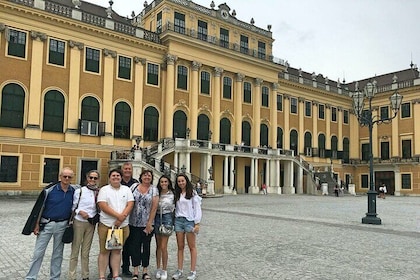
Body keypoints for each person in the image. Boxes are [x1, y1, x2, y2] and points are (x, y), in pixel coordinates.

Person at [22, 167, 77, 280]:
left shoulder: (74, 191)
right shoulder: (50, 190)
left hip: (62, 225)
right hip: (47, 224)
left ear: (72, 178)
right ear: (60, 177)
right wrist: (36, 224)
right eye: (64, 176)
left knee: (58, 254)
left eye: (69, 177)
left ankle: (55, 277)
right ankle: (31, 277)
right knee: (38, 253)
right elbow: (40, 208)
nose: (66, 178)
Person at [97, 169, 134, 280]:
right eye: (113, 175)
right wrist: (119, 217)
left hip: (122, 226)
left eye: (118, 175)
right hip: (107, 224)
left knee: (117, 250)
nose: (116, 177)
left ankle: (115, 275)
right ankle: (102, 276)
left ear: (121, 177)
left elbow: (130, 203)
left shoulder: (126, 189)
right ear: (109, 178)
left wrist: (122, 218)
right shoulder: (104, 189)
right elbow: (103, 205)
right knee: (104, 251)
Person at [126, 169, 158, 280]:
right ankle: (135, 271)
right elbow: (128, 201)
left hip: (147, 224)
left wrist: (149, 223)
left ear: (151, 178)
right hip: (133, 223)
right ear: (141, 177)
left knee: (146, 247)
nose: (147, 177)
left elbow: (154, 208)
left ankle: (145, 271)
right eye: (145, 175)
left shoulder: (154, 189)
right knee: (134, 247)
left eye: (149, 176)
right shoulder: (134, 187)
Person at [68, 170, 100, 280]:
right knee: (75, 249)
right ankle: (72, 275)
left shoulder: (98, 192)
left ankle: (85, 275)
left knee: (86, 251)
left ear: (98, 180)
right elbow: (73, 207)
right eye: (91, 177)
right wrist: (79, 212)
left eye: (95, 178)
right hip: (79, 222)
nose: (93, 180)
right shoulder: (80, 191)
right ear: (87, 178)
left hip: (91, 223)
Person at [172, 174, 202, 280]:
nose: (181, 183)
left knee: (192, 247)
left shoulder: (192, 193)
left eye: (182, 181)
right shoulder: (176, 193)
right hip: (179, 221)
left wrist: (197, 223)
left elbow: (197, 208)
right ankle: (179, 270)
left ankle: (193, 271)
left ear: (186, 181)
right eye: (179, 181)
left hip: (189, 221)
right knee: (180, 247)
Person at [117, 162, 139, 277]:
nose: (127, 171)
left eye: (129, 169)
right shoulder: (116, 180)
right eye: (125, 169)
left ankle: (125, 267)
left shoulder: (135, 183)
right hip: (116, 217)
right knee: (114, 244)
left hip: (130, 218)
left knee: (128, 246)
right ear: (122, 170)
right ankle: (113, 270)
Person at [154, 175, 175, 280]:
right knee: (158, 246)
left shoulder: (172, 194)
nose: (163, 184)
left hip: (167, 218)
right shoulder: (156, 193)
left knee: (163, 246)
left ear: (168, 183)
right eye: (162, 182)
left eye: (165, 181)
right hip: (157, 217)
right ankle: (158, 268)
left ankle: (164, 269)